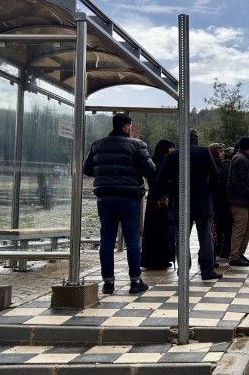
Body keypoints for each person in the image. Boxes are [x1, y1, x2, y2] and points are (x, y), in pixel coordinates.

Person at [83, 113, 157, 295]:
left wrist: (106, 174)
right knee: (132, 238)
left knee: (106, 239)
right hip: (129, 197)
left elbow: (87, 169)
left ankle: (108, 283)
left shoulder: (97, 145)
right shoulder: (137, 145)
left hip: (105, 198)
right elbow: (150, 170)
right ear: (126, 127)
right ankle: (135, 281)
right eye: (130, 127)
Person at [158, 129, 222, 280]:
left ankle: (184, 271)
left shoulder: (173, 155)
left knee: (182, 239)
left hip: (180, 202)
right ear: (196, 139)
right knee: (205, 237)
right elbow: (215, 175)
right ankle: (207, 271)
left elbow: (160, 179)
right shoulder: (204, 152)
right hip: (202, 202)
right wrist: (208, 191)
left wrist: (166, 195)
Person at [141, 139, 176, 270]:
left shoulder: (164, 161)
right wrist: (162, 196)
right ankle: (152, 259)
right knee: (155, 230)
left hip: (162, 199)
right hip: (158, 200)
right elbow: (154, 181)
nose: (171, 150)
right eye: (170, 148)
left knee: (163, 230)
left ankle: (162, 258)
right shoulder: (156, 161)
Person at [227, 136, 249, 267]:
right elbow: (237, 181)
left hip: (245, 201)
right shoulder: (240, 159)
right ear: (248, 148)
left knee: (248, 227)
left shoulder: (246, 159)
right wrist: (248, 193)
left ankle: (239, 252)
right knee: (239, 228)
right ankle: (234, 256)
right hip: (239, 201)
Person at [209, 143, 232, 261]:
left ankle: (215, 254)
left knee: (220, 228)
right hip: (215, 202)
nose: (223, 153)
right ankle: (209, 255)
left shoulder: (219, 163)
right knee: (214, 230)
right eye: (220, 151)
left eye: (223, 151)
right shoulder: (212, 164)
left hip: (220, 201)